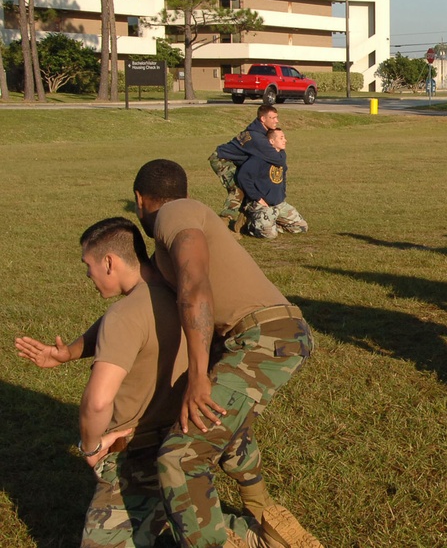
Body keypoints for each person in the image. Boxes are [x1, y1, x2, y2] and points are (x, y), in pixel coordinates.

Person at [15, 218, 271, 547]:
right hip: (186, 436)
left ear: (109, 262)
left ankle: (223, 529)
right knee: (168, 508)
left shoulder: (123, 316)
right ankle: (243, 530)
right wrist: (69, 353)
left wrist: (91, 447)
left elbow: (97, 402)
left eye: (88, 266)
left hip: (137, 454)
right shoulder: (183, 297)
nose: (88, 276)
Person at [131, 159, 319, 548]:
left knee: (180, 459)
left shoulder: (174, 213)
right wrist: (71, 350)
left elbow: (194, 285)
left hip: (262, 337)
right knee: (222, 425)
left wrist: (199, 375)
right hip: (272, 334)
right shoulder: (175, 232)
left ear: (139, 199)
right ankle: (264, 515)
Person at [209, 104, 284, 230]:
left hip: (238, 162)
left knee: (249, 186)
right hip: (222, 159)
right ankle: (223, 223)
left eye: (277, 117)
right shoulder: (257, 138)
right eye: (273, 118)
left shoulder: (259, 131)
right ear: (263, 119)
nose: (276, 121)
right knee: (238, 188)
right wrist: (281, 150)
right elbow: (277, 159)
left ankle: (242, 223)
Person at [237, 128, 309, 239]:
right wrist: (257, 198)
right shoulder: (259, 157)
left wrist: (282, 194)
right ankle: (250, 223)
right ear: (271, 141)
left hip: (278, 204)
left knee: (301, 227)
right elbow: (243, 177)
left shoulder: (281, 156)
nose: (285, 140)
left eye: (284, 137)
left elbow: (282, 176)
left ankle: (271, 222)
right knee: (270, 235)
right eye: (281, 138)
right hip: (261, 204)